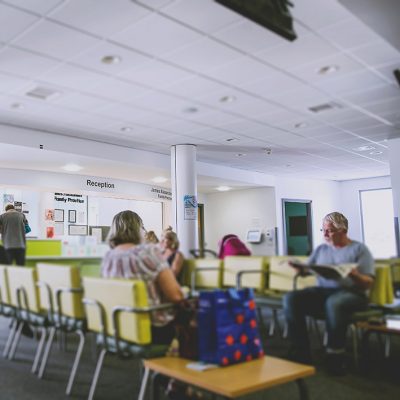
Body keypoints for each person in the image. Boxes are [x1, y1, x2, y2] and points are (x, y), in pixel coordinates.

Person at [283, 212, 374, 375]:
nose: (325, 234)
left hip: (353, 293)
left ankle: (335, 354)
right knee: (291, 298)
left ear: (343, 231)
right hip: (324, 291)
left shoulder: (359, 249)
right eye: (323, 230)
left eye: (330, 230)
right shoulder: (321, 249)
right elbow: (307, 271)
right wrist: (300, 269)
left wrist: (354, 275)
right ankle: (301, 351)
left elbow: (368, 282)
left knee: (335, 302)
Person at [101, 211, 183, 345]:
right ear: (138, 228)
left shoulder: (108, 258)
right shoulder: (148, 253)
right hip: (151, 327)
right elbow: (176, 296)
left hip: (118, 325)